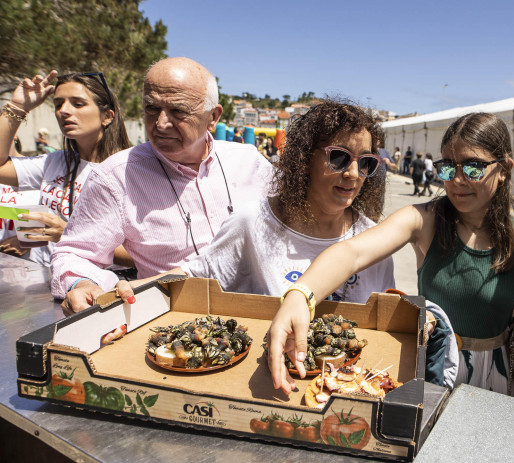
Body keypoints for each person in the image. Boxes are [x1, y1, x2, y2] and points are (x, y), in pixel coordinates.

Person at [112, 101, 458, 388]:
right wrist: (133, 294)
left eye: (365, 163)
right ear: (304, 158)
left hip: (338, 394)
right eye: (339, 158)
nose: (353, 173)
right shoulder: (252, 223)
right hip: (261, 386)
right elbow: (192, 277)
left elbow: (378, 323)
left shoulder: (370, 241)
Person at [269, 112, 514, 401]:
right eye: (447, 167)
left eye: (473, 167)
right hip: (434, 369)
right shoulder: (424, 220)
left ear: (504, 168)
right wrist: (301, 294)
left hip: (497, 378)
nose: (456, 180)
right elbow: (353, 252)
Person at [50, 57, 273, 313]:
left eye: (178, 111)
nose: (161, 123)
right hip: (175, 329)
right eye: (151, 108)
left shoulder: (249, 161)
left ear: (213, 117)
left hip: (264, 316)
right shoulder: (115, 176)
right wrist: (82, 283)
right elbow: (72, 253)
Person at [0, 70, 132, 267]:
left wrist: (68, 235)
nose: (64, 111)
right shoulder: (54, 162)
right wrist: (18, 106)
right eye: (58, 104)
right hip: (43, 280)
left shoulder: (131, 171)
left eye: (78, 104)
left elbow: (143, 256)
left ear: (107, 116)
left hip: (95, 289)